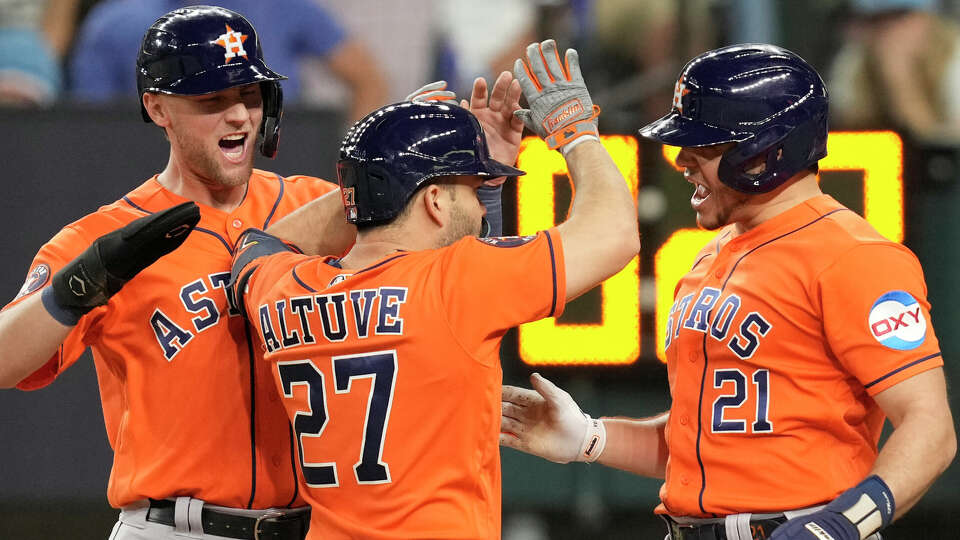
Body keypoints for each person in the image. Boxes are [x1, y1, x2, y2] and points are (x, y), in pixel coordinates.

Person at [500, 43, 956, 540]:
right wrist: (589, 437)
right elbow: (711, 442)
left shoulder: (855, 256)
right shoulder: (710, 254)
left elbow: (930, 429)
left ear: (765, 152)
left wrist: (843, 525)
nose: (683, 160)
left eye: (705, 146)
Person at [228, 39, 640, 538]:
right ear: (436, 202)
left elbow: (256, 242)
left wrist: (380, 166)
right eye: (471, 186)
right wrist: (576, 132)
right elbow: (614, 232)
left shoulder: (283, 288)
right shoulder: (457, 283)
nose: (481, 195)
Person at [0, 6, 355, 539]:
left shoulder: (317, 207)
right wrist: (76, 289)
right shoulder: (103, 237)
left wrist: (475, 171)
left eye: (250, 96)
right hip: (175, 528)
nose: (238, 116)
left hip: (312, 527)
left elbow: (437, 257)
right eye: (212, 99)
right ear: (157, 107)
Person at [70, 0, 387, 122]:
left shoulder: (281, 6)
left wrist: (343, 165)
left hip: (274, 161)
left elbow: (368, 80)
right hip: (154, 170)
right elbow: (89, 126)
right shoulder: (113, 23)